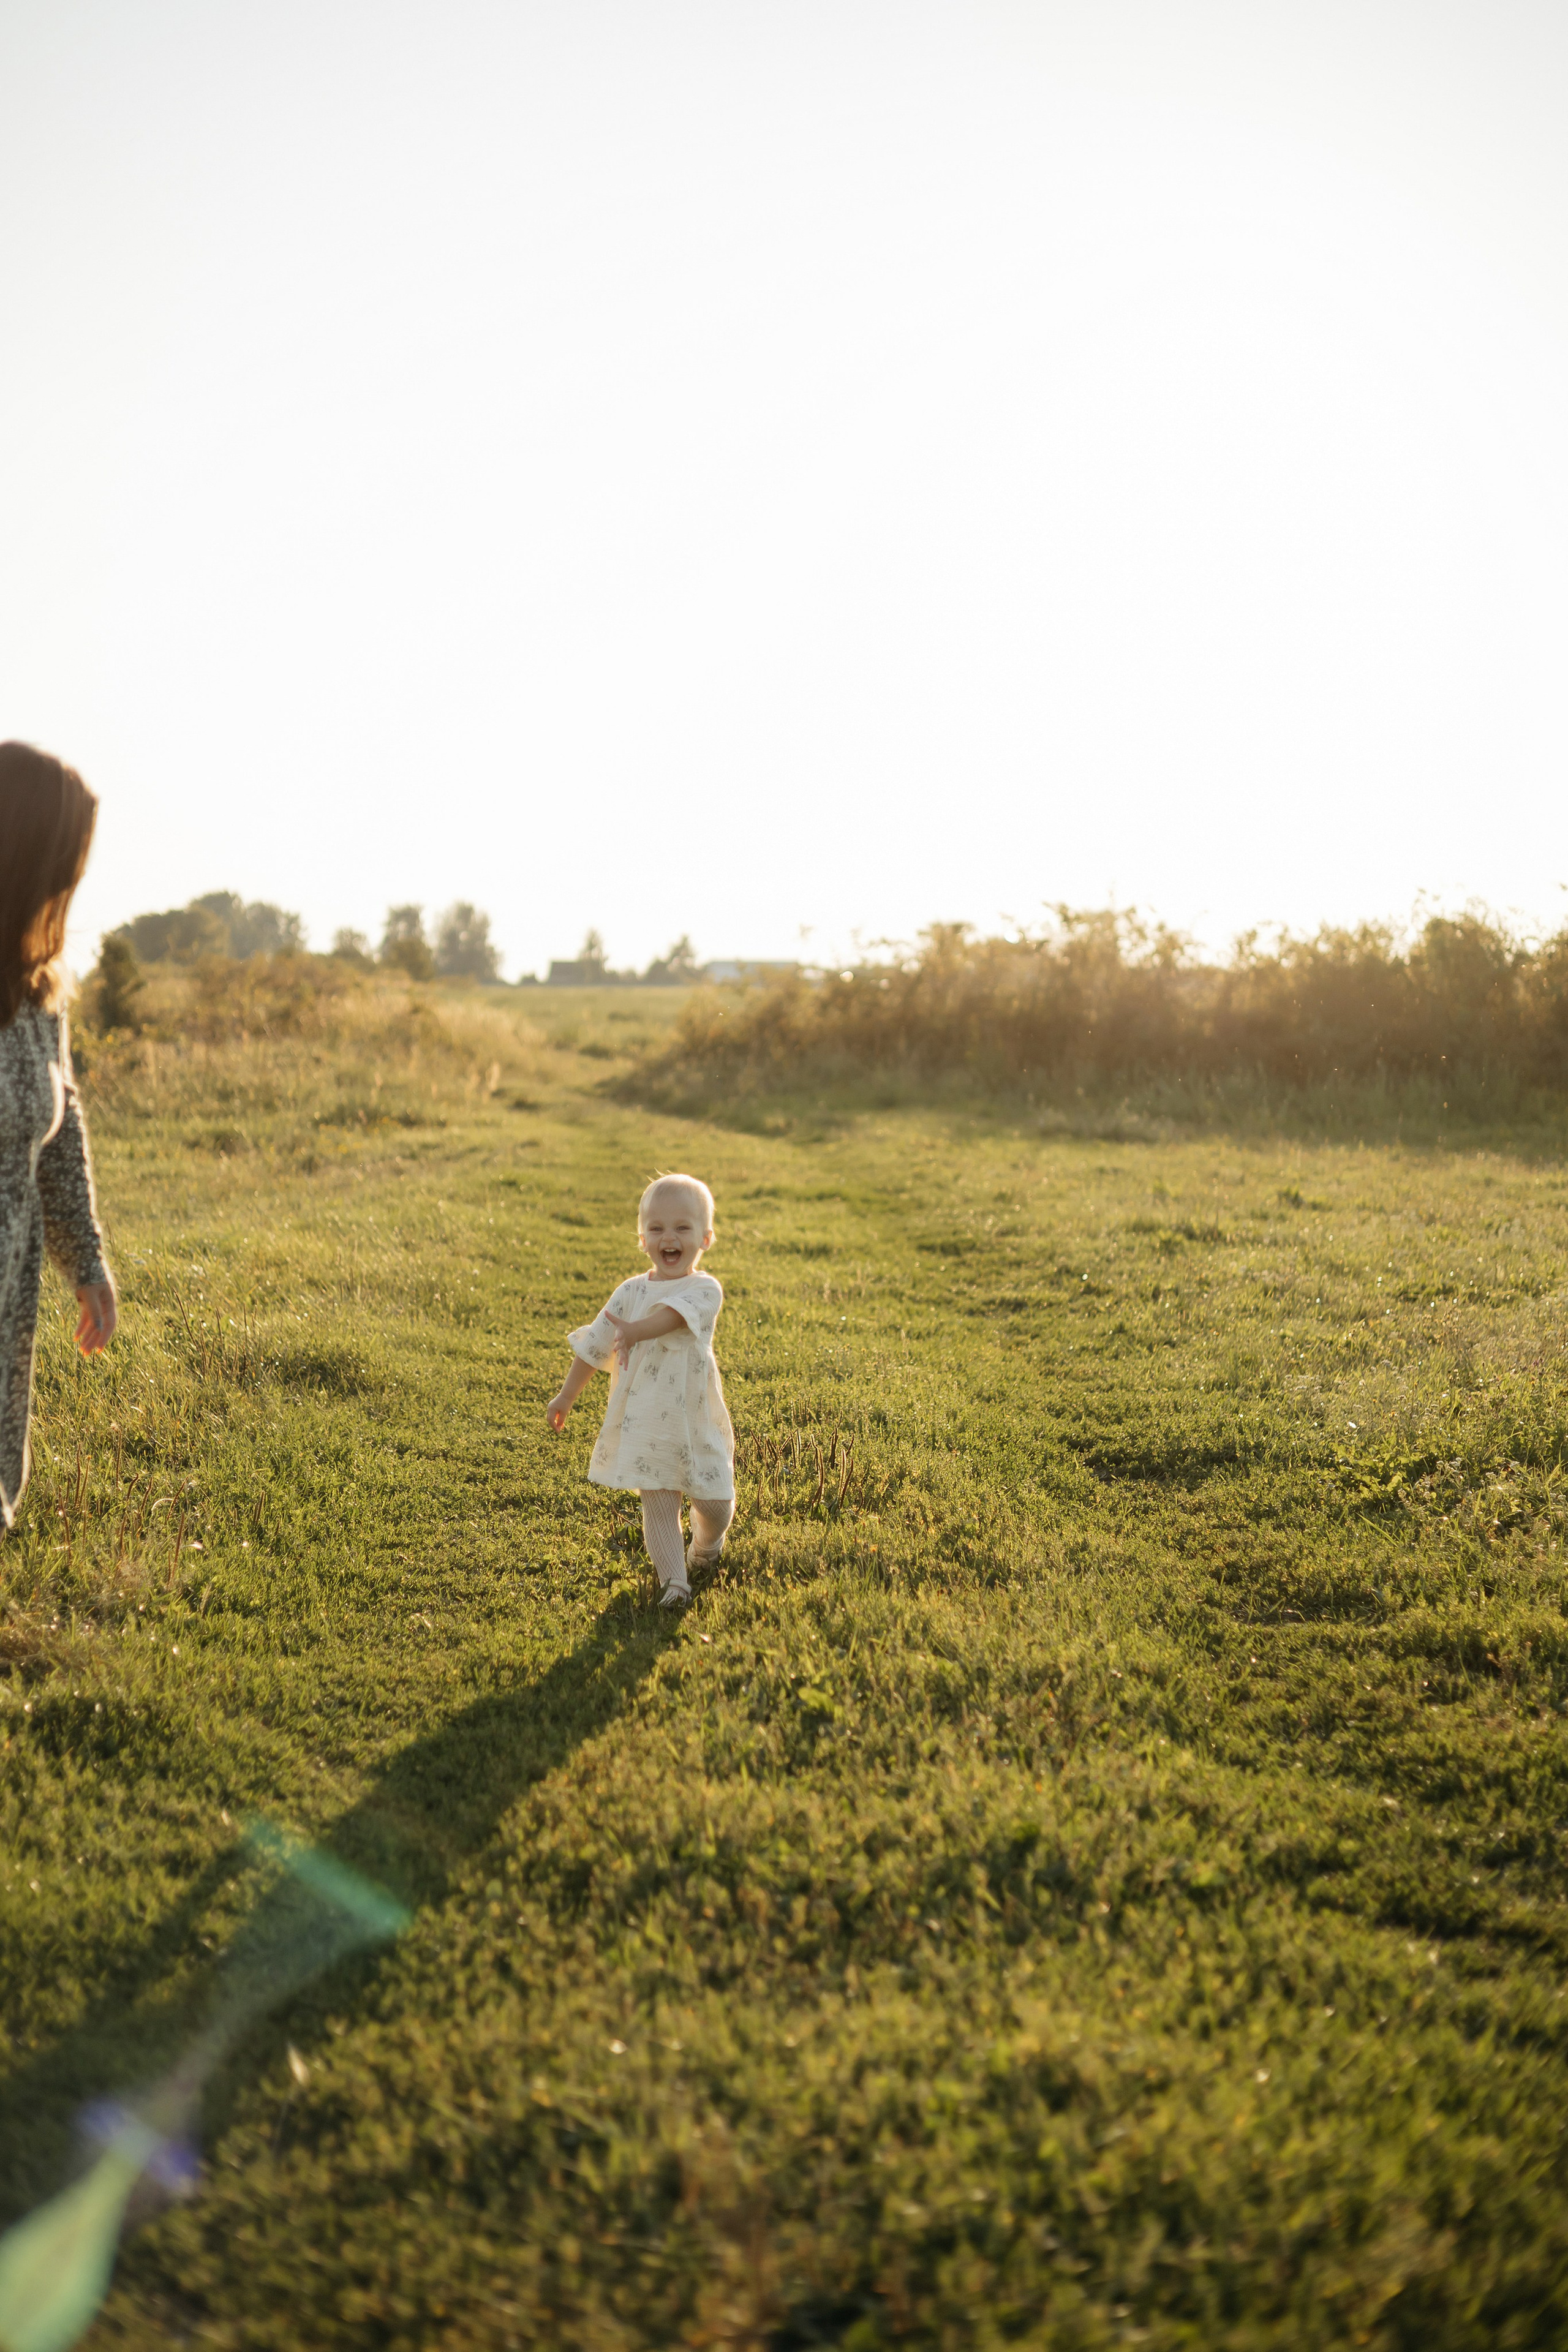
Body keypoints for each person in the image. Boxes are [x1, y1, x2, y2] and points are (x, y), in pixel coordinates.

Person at [0, 742, 116, 1530]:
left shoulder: (40, 991)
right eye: (63, 869)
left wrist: (87, 1260)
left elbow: (62, 1133)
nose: (69, 891)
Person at [546, 1172, 734, 1609]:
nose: (669, 1237)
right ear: (643, 1239)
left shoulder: (705, 1289)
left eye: (683, 1228)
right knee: (659, 1505)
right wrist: (567, 1396)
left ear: (705, 1238)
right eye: (657, 1228)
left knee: (717, 1503)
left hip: (696, 1418)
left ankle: (706, 1546)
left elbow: (671, 1318)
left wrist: (634, 1331)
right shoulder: (629, 1293)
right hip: (645, 1421)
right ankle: (675, 1584)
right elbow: (594, 1346)